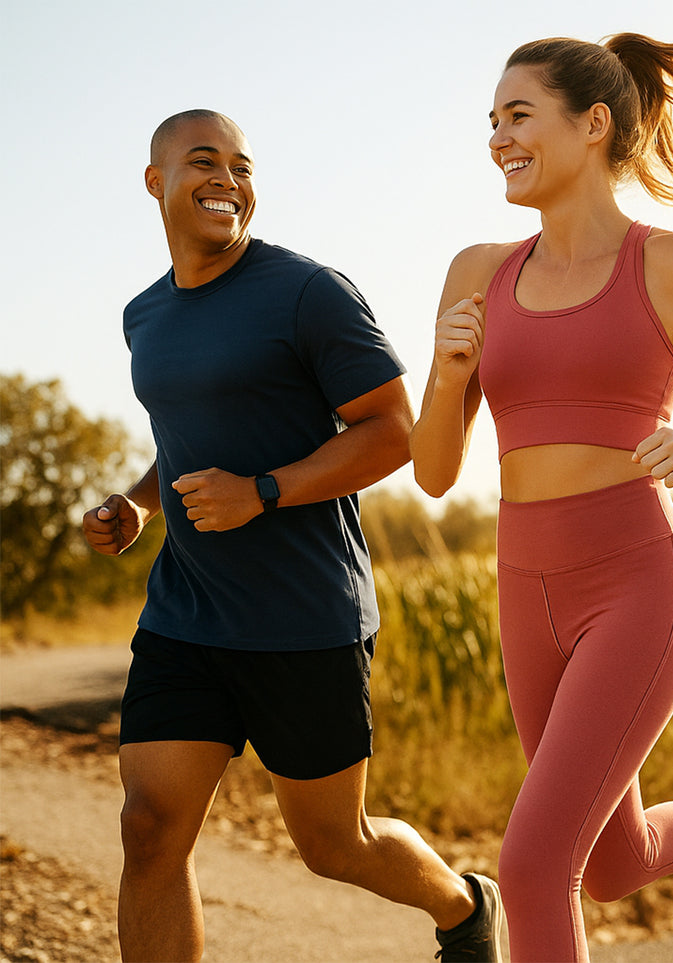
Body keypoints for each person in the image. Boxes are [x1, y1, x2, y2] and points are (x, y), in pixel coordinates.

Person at [409, 32, 673, 962]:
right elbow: (436, 472)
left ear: (593, 123)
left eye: (518, 115)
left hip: (635, 583)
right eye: (490, 121)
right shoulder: (476, 272)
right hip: (524, 586)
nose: (498, 137)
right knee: (610, 863)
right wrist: (449, 378)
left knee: (532, 867)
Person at [82, 108, 502, 963]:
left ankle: (464, 906)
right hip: (186, 618)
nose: (228, 181)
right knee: (150, 827)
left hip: (304, 617)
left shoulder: (307, 291)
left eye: (242, 166)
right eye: (205, 163)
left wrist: (264, 493)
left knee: (332, 844)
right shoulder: (144, 315)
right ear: (156, 180)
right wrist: (139, 503)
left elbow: (392, 429)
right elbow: (183, 440)